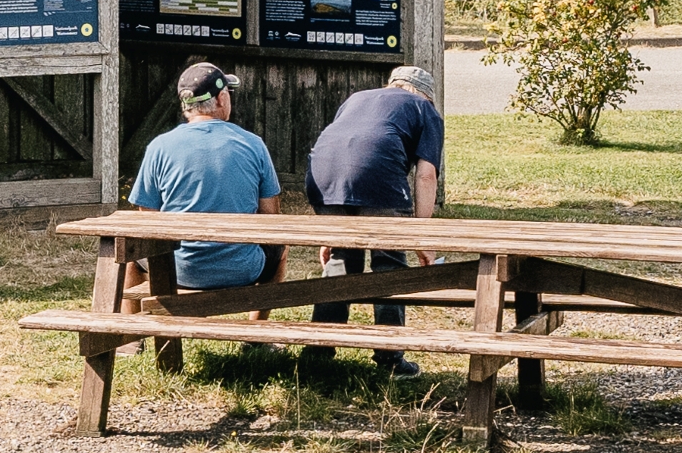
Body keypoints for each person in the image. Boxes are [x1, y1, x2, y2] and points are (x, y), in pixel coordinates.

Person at [123, 58, 283, 371]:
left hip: (176, 270)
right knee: (280, 248)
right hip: (242, 269)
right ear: (222, 98)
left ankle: (130, 336)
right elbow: (271, 219)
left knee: (131, 250)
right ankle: (255, 335)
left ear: (186, 106)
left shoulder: (160, 146)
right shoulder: (254, 145)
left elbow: (147, 217)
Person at [300, 60, 444, 347]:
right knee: (388, 263)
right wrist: (421, 236)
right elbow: (426, 175)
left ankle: (320, 349)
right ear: (425, 94)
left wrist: (330, 232)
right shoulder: (424, 108)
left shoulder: (356, 99)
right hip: (379, 179)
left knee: (341, 260)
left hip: (323, 178)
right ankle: (390, 356)